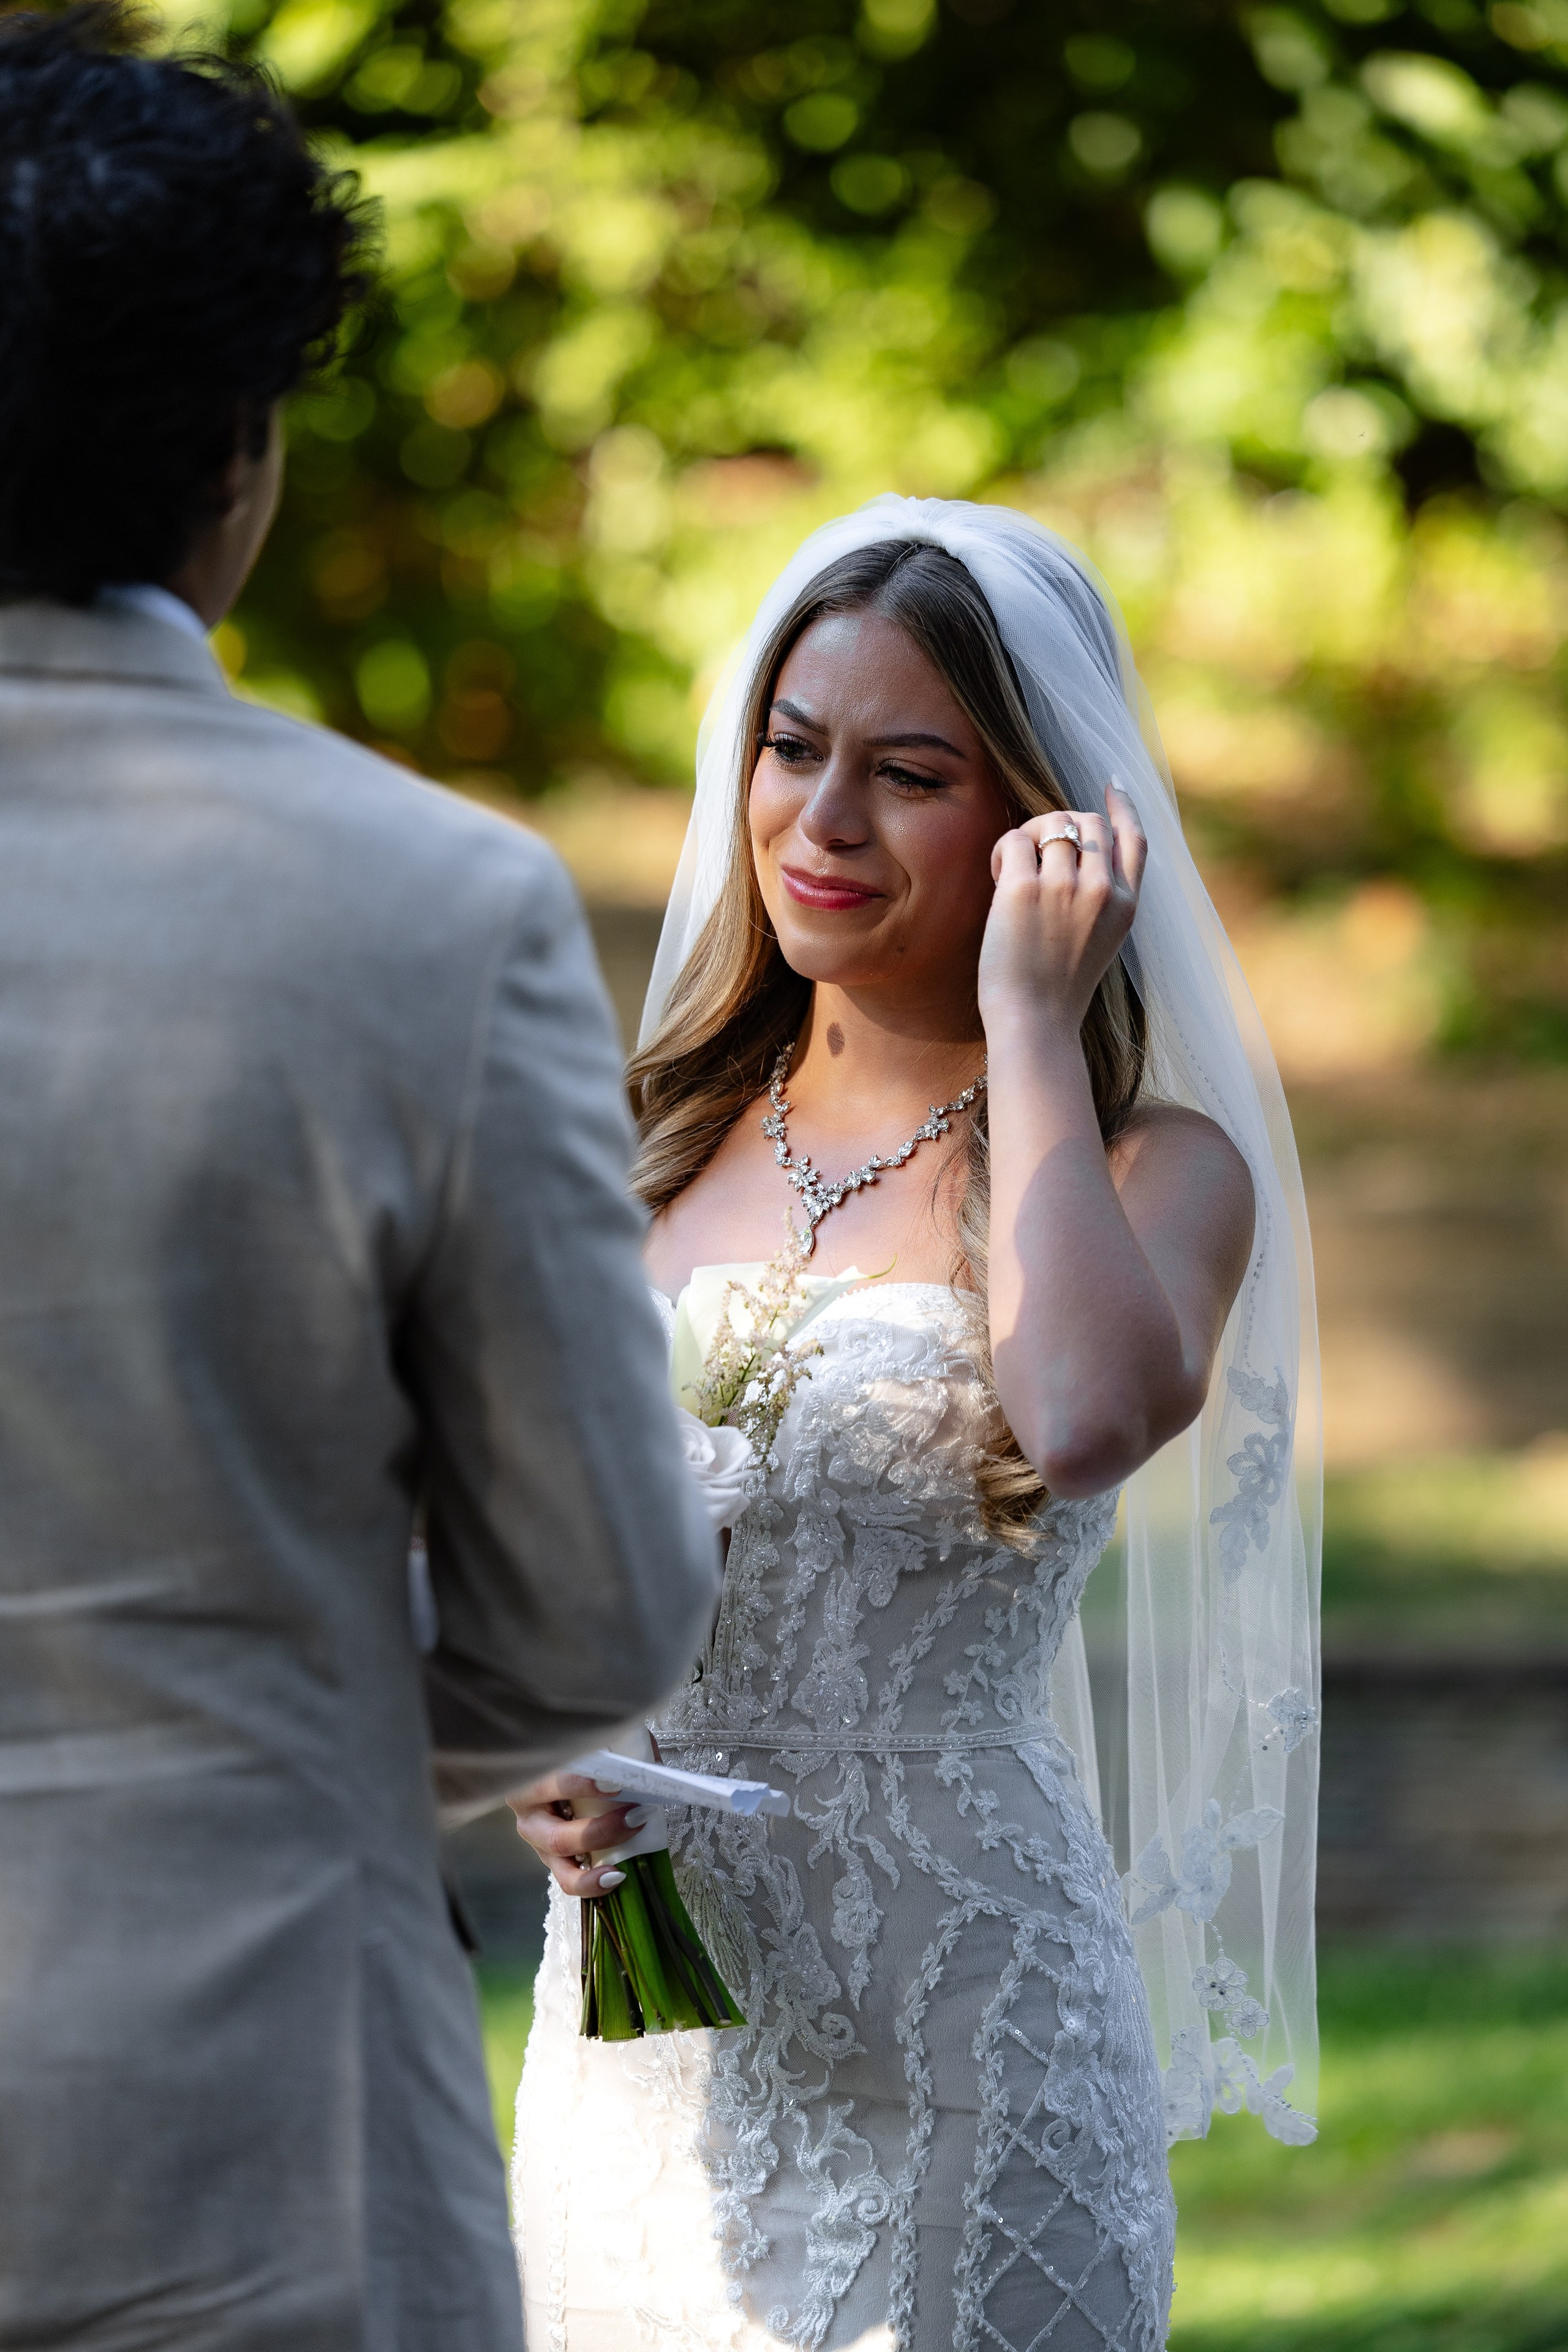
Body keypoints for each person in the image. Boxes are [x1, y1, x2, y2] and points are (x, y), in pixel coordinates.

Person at [0, 12, 718, 2350]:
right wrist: (266, 1750)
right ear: (240, 445)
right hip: (249, 2123)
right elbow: (597, 1604)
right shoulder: (423, 911)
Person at [510, 501, 1323, 2351]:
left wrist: (1028, 1023)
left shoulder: (1156, 1170)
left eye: (909, 774)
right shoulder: (635, 1140)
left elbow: (1088, 1416)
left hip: (974, 2044)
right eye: (794, 749)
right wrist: (534, 1743)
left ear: (1049, 824)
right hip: (646, 2070)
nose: (823, 820)